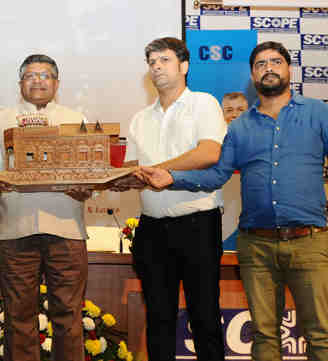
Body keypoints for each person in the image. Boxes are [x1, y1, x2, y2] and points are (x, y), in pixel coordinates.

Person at [141, 41, 328, 361]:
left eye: (275, 62)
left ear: (288, 69)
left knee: (321, 335)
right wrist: (173, 177)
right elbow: (216, 176)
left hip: (308, 242)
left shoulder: (318, 112)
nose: (268, 68)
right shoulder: (241, 126)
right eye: (260, 64)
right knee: (264, 334)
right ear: (252, 75)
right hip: (255, 245)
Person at [114, 37, 227, 361]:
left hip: (197, 225)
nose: (156, 67)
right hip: (151, 229)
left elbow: (209, 152)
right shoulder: (139, 118)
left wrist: (158, 170)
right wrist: (114, 179)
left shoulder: (203, 104)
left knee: (204, 316)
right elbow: (135, 170)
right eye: (151, 62)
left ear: (184, 66)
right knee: (158, 319)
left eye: (164, 60)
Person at [0, 54, 92, 361]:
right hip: (17, 230)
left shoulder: (75, 119)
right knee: (18, 318)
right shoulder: (1, 119)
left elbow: (89, 176)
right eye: (30, 75)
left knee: (69, 317)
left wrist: (85, 187)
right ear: (20, 84)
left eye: (45, 75)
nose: (38, 80)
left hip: (66, 230)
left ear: (56, 83)